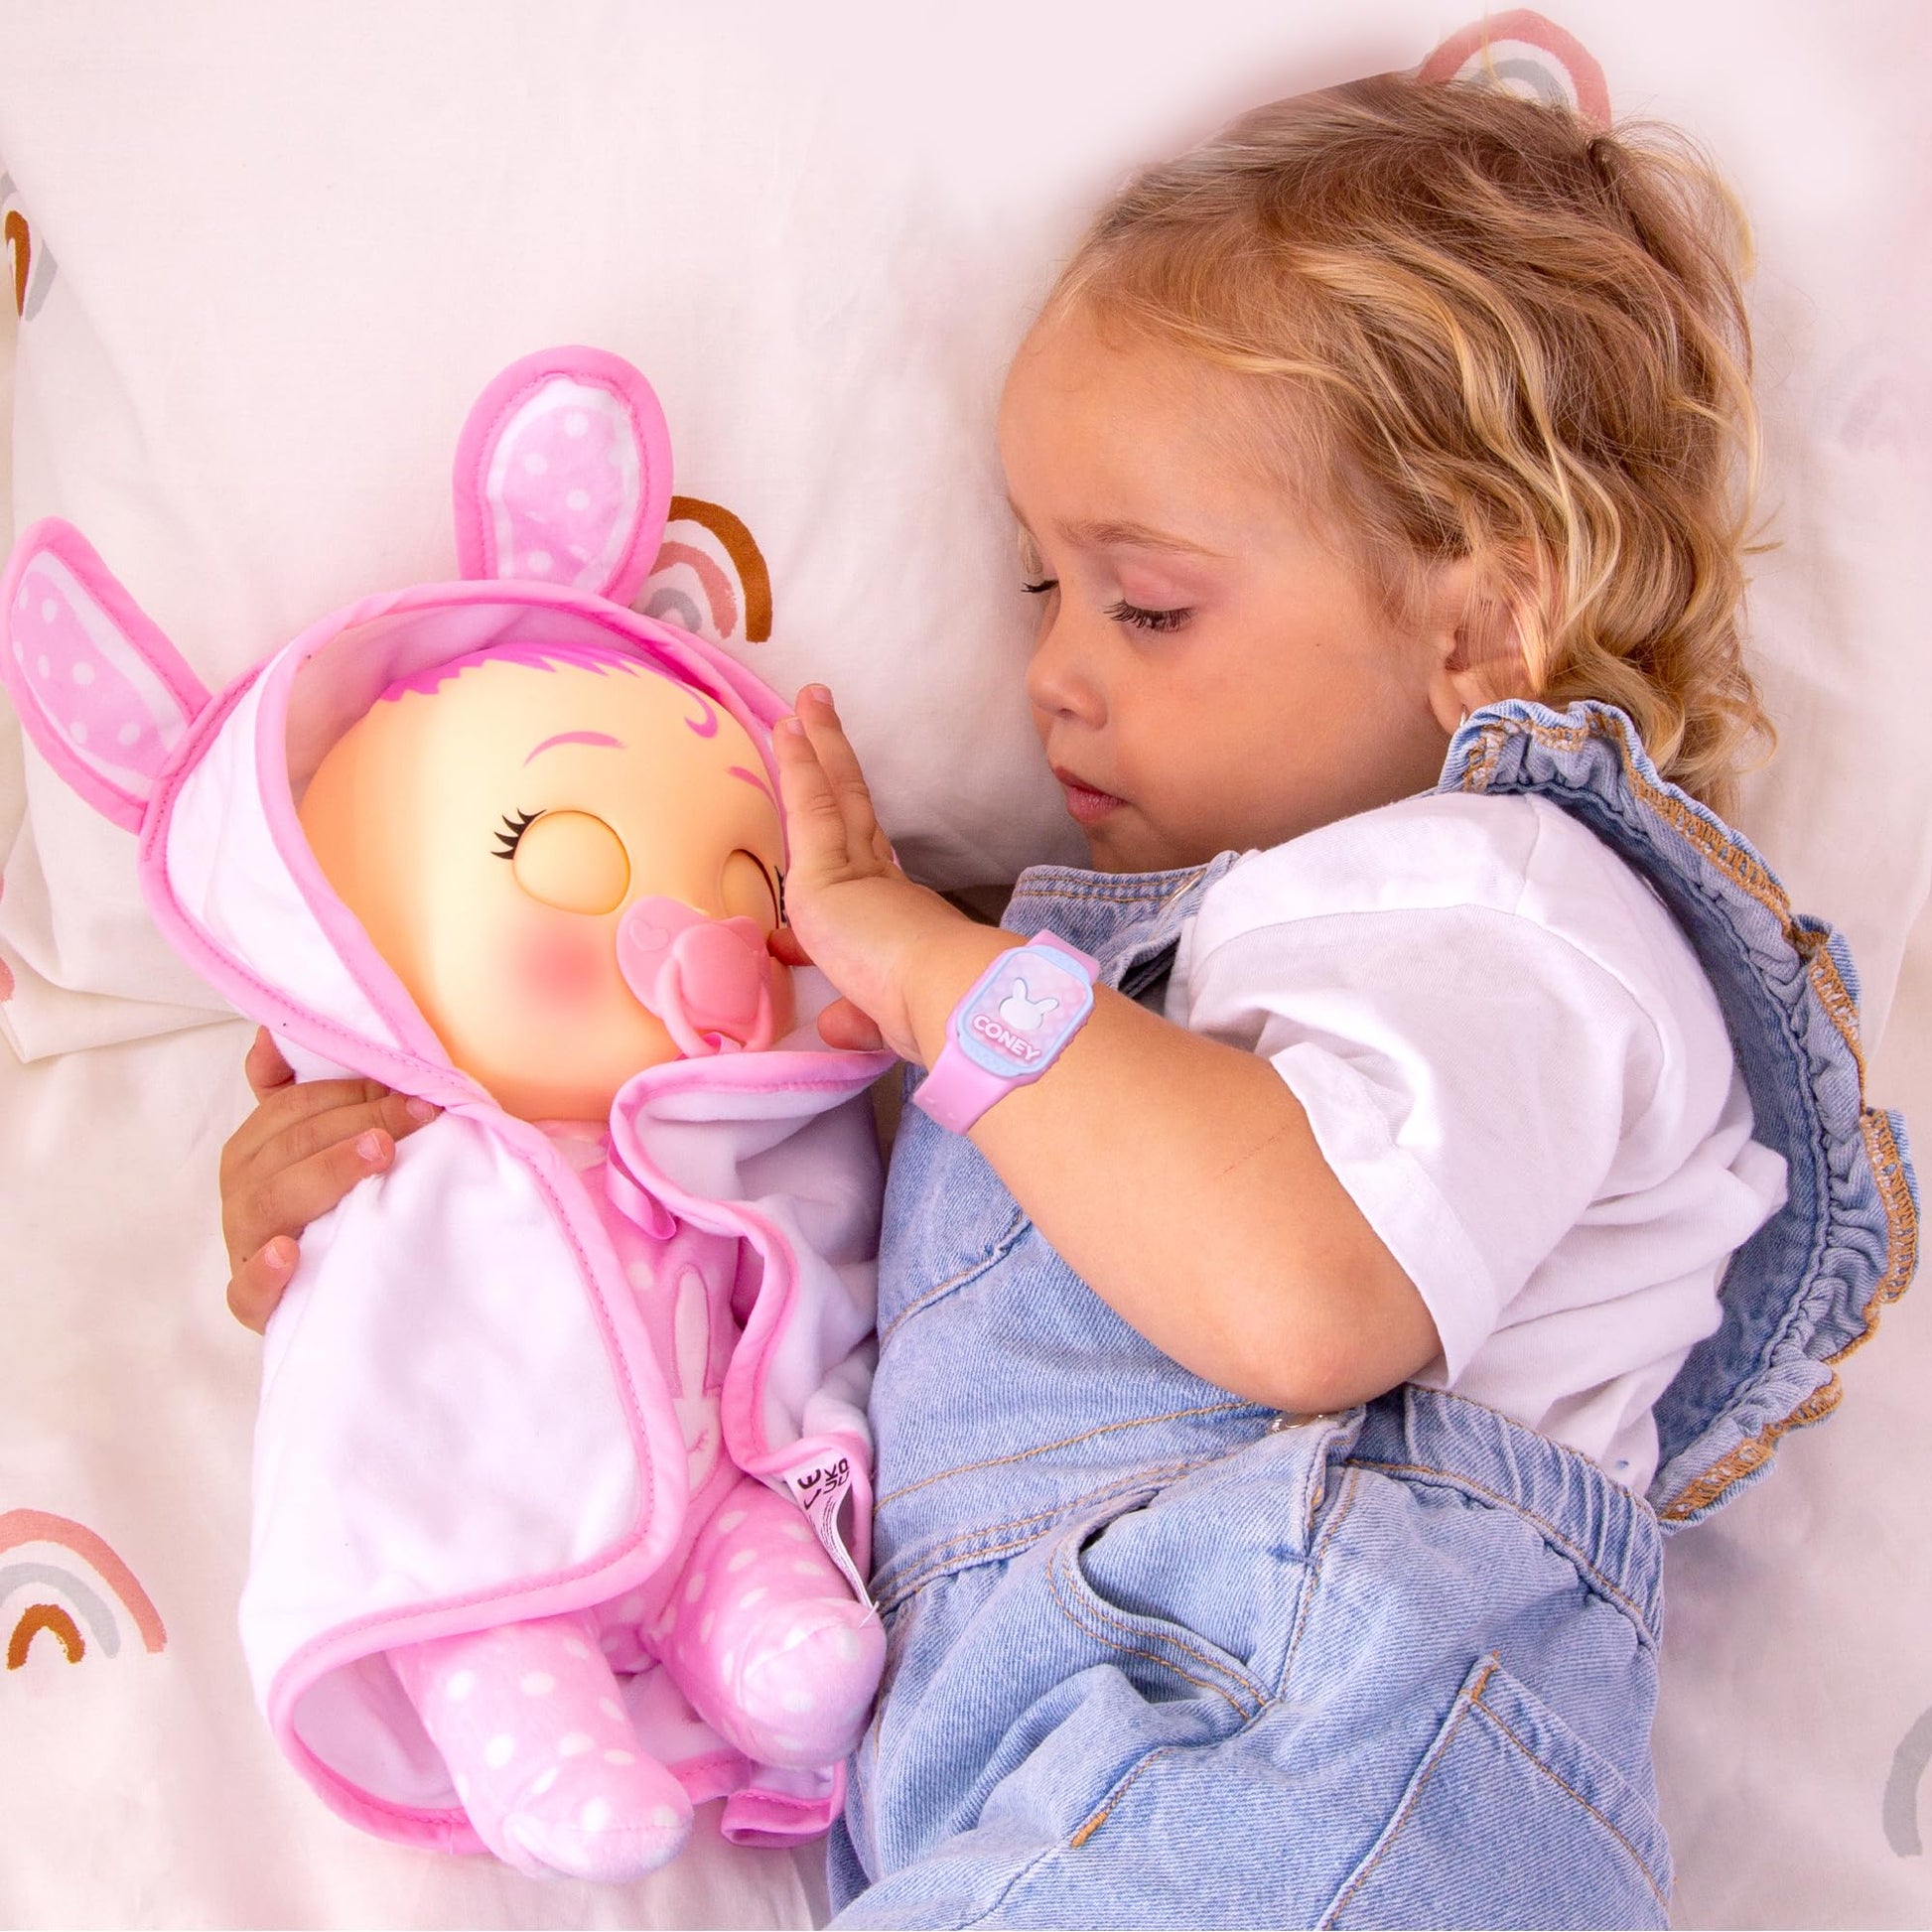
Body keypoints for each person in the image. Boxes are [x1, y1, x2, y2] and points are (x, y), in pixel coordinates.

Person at [216, 74, 1911, 1927]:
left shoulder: (1509, 905)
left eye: (1147, 605)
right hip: (1068, 1768)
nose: (1050, 673)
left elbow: (1300, 1293)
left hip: (1311, 1736)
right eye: (1041, 587)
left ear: (1477, 625)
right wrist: (420, 1183)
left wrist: (936, 966)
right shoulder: (1150, 963)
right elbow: (773, 1222)